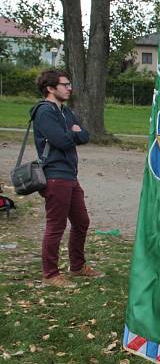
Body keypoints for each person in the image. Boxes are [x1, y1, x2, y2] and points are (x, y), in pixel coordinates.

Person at [32, 70, 102, 288]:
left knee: (82, 222)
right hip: (55, 175)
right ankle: (50, 275)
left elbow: (85, 135)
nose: (69, 88)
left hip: (70, 175)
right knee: (56, 225)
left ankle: (77, 267)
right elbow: (61, 141)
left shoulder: (65, 111)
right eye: (65, 84)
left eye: (69, 84)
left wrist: (72, 132)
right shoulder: (44, 112)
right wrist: (72, 132)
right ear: (50, 88)